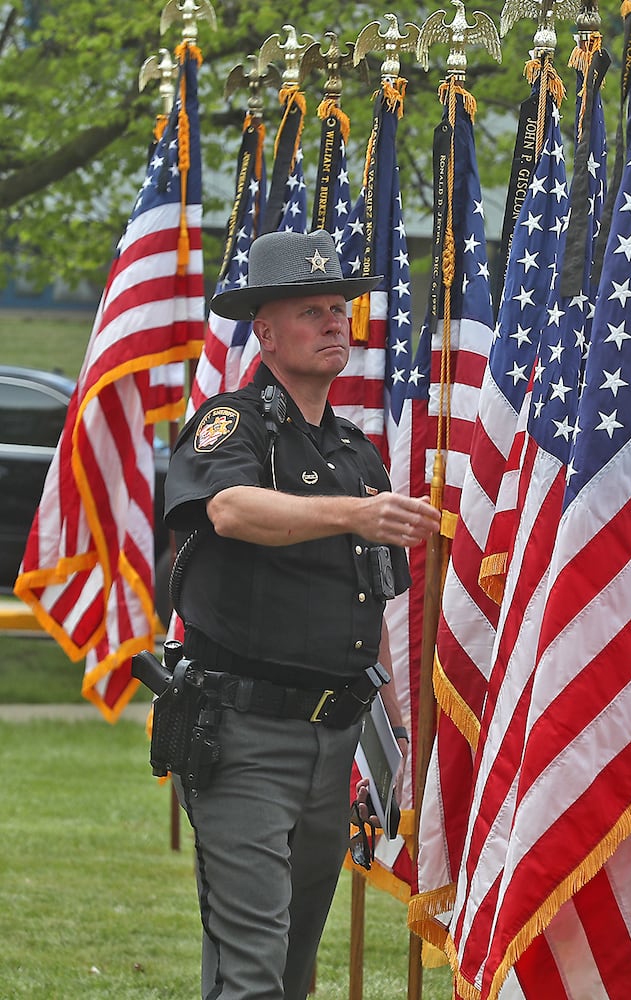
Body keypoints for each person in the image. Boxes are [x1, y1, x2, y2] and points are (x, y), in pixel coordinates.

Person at [162, 228, 440, 1000]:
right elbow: (227, 508)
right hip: (243, 736)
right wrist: (352, 514)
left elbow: (374, 595)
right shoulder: (234, 422)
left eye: (339, 309)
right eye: (311, 310)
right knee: (251, 970)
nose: (333, 323)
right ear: (266, 332)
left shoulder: (354, 451)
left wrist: (391, 725)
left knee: (292, 974)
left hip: (335, 738)